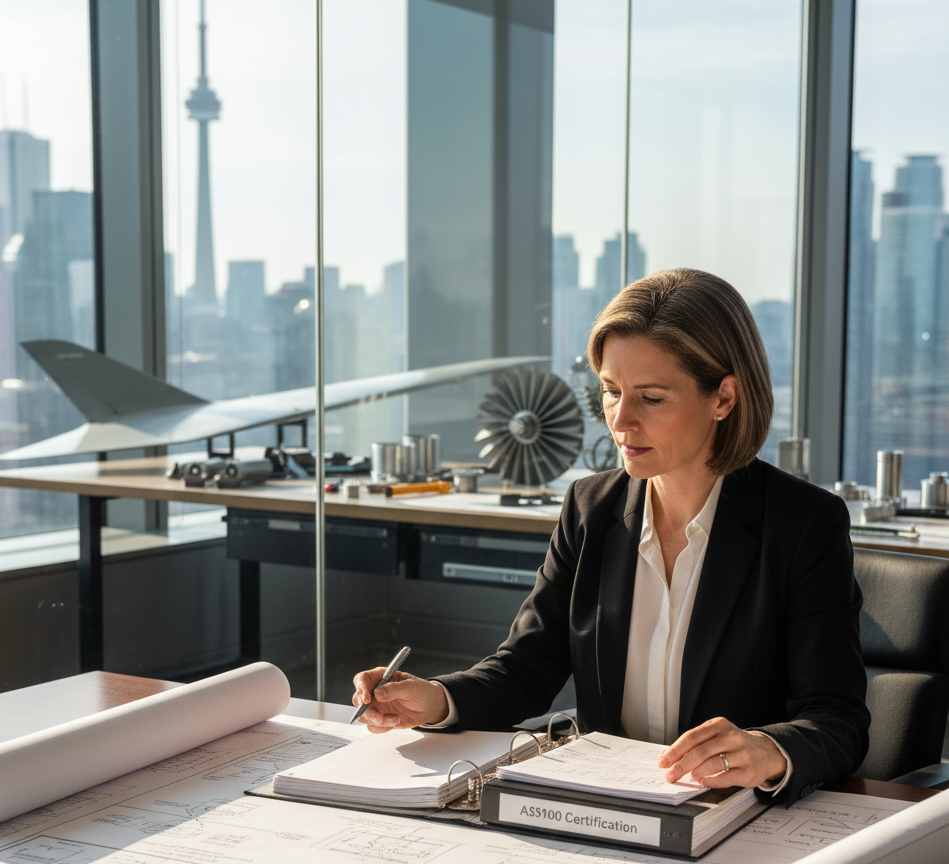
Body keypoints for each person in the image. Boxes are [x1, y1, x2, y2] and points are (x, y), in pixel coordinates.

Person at [352, 268, 869, 804]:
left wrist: (768, 748)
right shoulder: (589, 509)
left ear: (723, 397)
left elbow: (839, 720)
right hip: (606, 807)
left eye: (651, 398)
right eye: (611, 391)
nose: (620, 421)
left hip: (734, 816)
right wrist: (435, 699)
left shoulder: (804, 523)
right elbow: (526, 667)